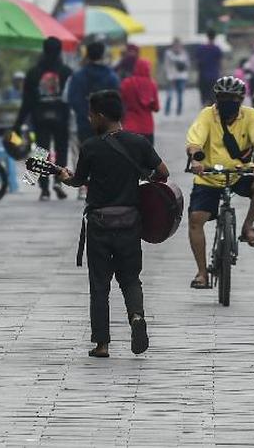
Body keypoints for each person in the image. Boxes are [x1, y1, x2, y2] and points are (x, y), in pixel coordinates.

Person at [57, 90, 169, 358]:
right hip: (130, 223)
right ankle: (136, 317)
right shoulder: (138, 142)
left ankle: (102, 344)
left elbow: (78, 180)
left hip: (100, 224)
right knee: (131, 279)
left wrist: (64, 177)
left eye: (92, 114)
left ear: (101, 116)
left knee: (99, 284)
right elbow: (163, 173)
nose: (89, 118)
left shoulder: (90, 147)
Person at [185, 76, 254, 289]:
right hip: (208, 176)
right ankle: (202, 273)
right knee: (196, 220)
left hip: (239, 174)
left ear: (241, 99)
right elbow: (195, 142)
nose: (228, 102)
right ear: (216, 98)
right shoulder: (207, 115)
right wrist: (196, 158)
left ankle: (248, 225)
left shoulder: (250, 115)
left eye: (232, 98)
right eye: (223, 98)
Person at [15, 36, 74, 201]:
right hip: (61, 118)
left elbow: (26, 102)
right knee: (61, 151)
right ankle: (58, 182)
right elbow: (72, 97)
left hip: (40, 118)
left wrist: (18, 124)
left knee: (41, 152)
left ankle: (44, 189)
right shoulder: (66, 72)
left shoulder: (34, 73)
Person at [67, 41, 121, 145]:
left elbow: (73, 99)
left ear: (87, 55)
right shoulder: (111, 77)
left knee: (87, 156)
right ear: (102, 55)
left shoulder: (78, 76)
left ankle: (40, 159)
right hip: (107, 124)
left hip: (84, 123)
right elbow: (117, 101)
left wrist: (86, 115)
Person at [120, 58, 160, 144]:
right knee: (146, 156)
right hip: (147, 128)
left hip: (129, 126)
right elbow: (156, 108)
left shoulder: (126, 83)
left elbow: (121, 101)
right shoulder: (152, 84)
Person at [163, 37, 191, 116]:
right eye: (175, 45)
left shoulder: (184, 53)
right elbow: (166, 65)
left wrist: (183, 66)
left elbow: (188, 65)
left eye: (178, 45)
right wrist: (167, 75)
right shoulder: (168, 53)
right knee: (169, 95)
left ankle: (179, 111)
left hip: (181, 77)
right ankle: (167, 111)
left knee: (180, 96)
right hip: (171, 77)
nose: (177, 46)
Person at [195, 29, 223, 106]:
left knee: (204, 98)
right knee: (213, 98)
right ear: (215, 37)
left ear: (207, 36)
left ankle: (205, 112)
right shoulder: (217, 49)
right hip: (214, 76)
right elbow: (220, 64)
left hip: (203, 76)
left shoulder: (200, 49)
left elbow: (197, 63)